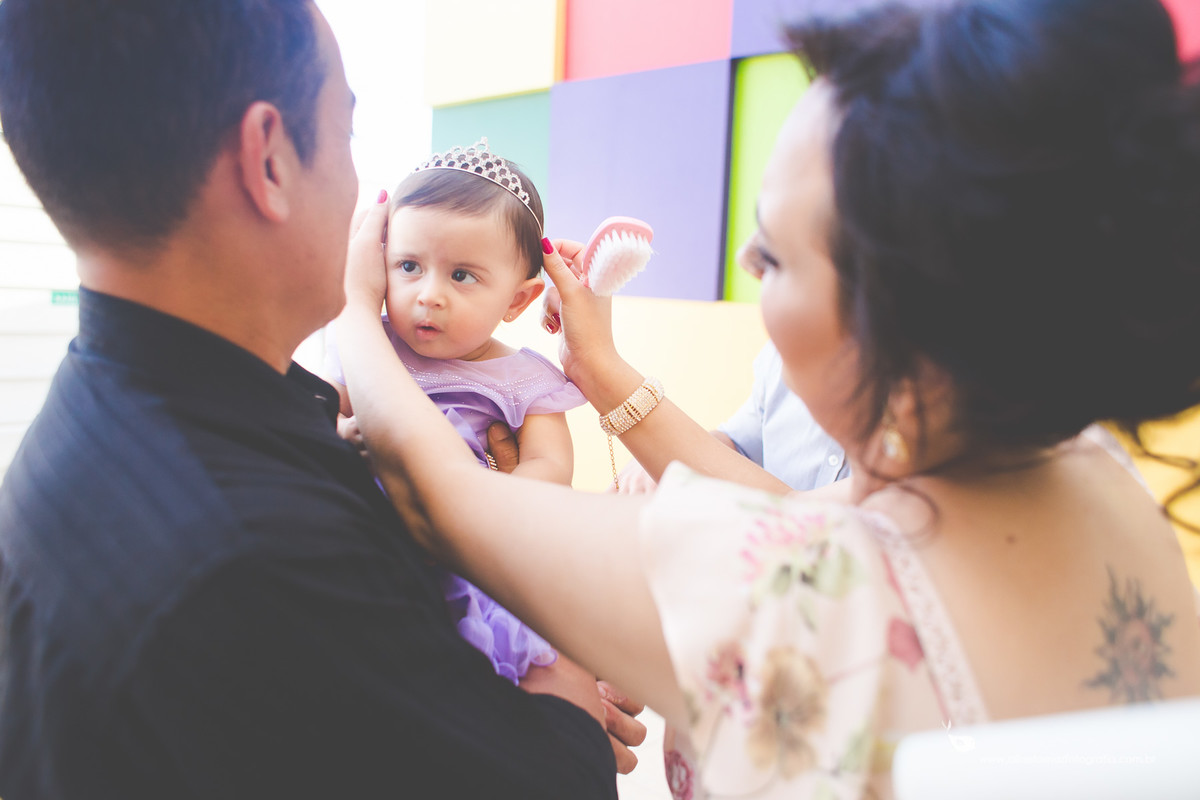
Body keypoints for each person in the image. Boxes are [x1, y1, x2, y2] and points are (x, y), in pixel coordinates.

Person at [334, 0, 1200, 797]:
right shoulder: (1105, 482)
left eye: (776, 259)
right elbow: (792, 508)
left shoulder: (783, 591)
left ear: (899, 313)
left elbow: (438, 491)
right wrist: (597, 367)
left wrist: (352, 315)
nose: (746, 264)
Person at [0, 1, 639, 796]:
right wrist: (565, 688)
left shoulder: (95, 430)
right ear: (269, 160)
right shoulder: (259, 551)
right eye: (347, 135)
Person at [324, 139, 586, 683]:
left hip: (469, 560)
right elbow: (318, 415)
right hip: (360, 545)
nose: (429, 294)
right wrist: (342, 432)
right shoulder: (368, 345)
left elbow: (551, 466)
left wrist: (484, 505)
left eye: (462, 275)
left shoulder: (522, 378)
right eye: (409, 266)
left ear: (517, 300)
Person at [611, 341, 848, 494]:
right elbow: (739, 442)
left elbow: (809, 518)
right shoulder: (777, 357)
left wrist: (598, 360)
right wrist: (665, 455)